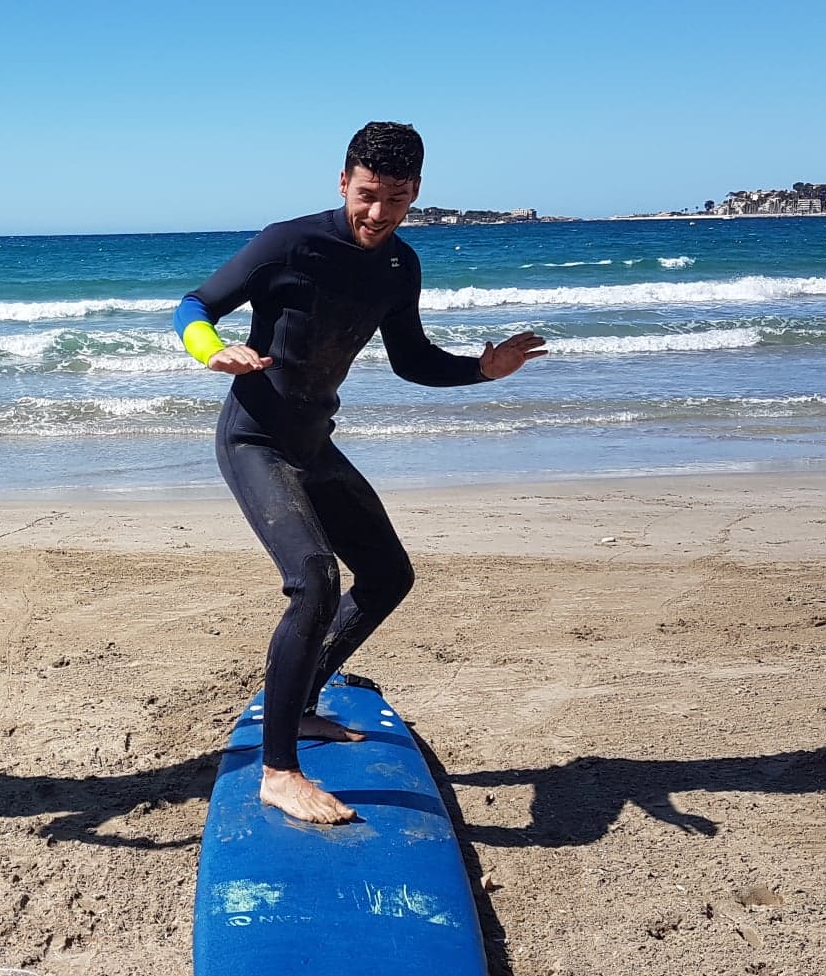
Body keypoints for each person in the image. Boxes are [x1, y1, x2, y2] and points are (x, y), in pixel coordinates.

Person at [172, 121, 546, 825]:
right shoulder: (289, 242)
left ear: (416, 195)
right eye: (368, 195)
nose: (379, 215)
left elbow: (411, 360)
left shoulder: (399, 266)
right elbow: (194, 304)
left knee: (388, 576)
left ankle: (304, 701)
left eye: (397, 199)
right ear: (343, 181)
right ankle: (278, 771)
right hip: (255, 439)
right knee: (314, 579)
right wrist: (209, 350)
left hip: (313, 443)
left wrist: (481, 369)